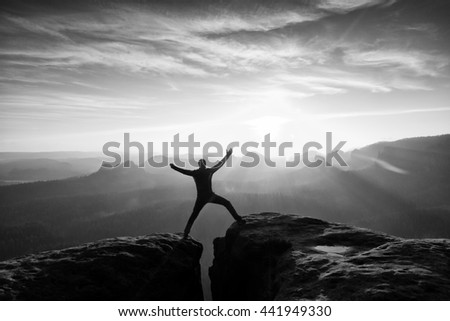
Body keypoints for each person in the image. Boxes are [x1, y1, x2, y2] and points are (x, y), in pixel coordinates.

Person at [170, 148, 244, 237]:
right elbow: (220, 164)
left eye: (202, 162)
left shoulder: (197, 172)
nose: (201, 164)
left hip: (203, 197)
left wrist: (174, 167)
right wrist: (228, 155)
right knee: (226, 203)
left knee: (195, 214)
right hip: (209, 196)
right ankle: (238, 219)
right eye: (201, 163)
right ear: (202, 164)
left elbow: (184, 171)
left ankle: (186, 232)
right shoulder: (208, 171)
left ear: (201, 164)